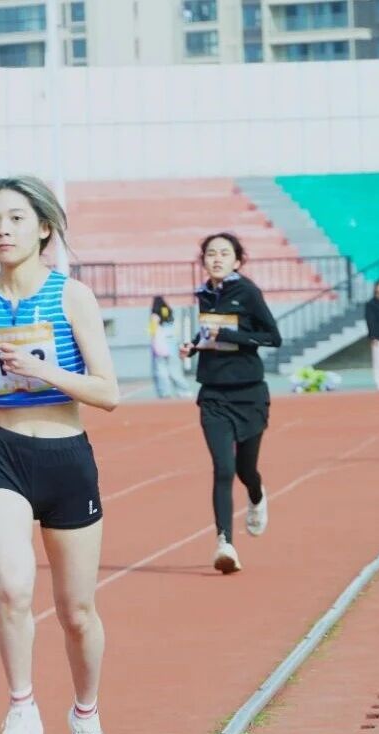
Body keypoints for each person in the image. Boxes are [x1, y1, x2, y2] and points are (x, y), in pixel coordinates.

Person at [0, 176, 119, 734]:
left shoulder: (73, 298)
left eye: (16, 218)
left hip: (67, 458)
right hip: (3, 455)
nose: (3, 230)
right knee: (14, 588)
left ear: (44, 228)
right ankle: (21, 708)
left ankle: (86, 720)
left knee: (77, 612)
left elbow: (109, 393)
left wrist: (47, 370)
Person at [178, 232, 281, 573]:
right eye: (211, 253)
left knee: (245, 469)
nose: (217, 259)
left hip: (249, 394)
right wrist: (193, 345)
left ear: (237, 261)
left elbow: (273, 337)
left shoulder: (248, 292)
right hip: (213, 395)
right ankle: (225, 544)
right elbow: (209, 332)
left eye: (224, 253)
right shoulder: (204, 294)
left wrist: (233, 336)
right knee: (223, 468)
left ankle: (256, 494)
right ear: (203, 260)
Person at [149, 295, 190, 399]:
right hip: (172, 345)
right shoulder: (169, 313)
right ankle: (184, 391)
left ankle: (164, 393)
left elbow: (152, 332)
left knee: (161, 371)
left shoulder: (154, 316)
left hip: (159, 347)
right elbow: (176, 330)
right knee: (175, 371)